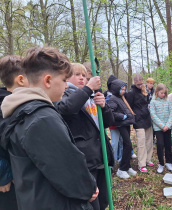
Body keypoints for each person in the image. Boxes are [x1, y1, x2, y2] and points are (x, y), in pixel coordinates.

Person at [0, 46, 98, 210]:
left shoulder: (19, 111)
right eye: (64, 80)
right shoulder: (41, 118)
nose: (67, 87)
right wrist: (88, 187)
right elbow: (68, 169)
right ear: (47, 80)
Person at [55, 63, 114, 210]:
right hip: (86, 159)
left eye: (84, 76)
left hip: (101, 154)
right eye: (77, 75)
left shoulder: (92, 95)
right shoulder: (64, 94)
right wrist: (88, 89)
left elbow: (109, 122)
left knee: (104, 199)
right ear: (67, 77)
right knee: (91, 202)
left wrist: (104, 107)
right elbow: (67, 108)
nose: (82, 78)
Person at [0, 55, 28, 210]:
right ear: (21, 79)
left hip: (21, 177)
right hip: (8, 184)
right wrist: (3, 176)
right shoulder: (4, 104)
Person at [108, 78, 137, 179]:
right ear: (116, 89)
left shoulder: (121, 97)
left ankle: (127, 166)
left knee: (127, 145)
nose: (124, 91)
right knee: (128, 145)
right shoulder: (113, 99)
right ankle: (121, 169)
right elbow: (111, 112)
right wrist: (122, 116)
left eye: (125, 89)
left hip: (126, 123)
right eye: (122, 89)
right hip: (121, 124)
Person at [126, 74, 154, 173]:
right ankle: (141, 164)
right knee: (141, 143)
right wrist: (134, 117)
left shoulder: (145, 90)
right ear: (134, 83)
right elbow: (128, 107)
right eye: (138, 84)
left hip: (147, 119)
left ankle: (148, 159)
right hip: (138, 121)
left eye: (141, 84)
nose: (140, 86)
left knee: (149, 141)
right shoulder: (131, 92)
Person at [149, 83, 172, 173]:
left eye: (164, 93)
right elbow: (153, 115)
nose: (163, 95)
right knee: (160, 144)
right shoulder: (153, 102)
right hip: (158, 128)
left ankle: (169, 162)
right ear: (157, 92)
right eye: (161, 93)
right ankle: (161, 163)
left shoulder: (168, 101)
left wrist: (167, 125)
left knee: (168, 144)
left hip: (167, 127)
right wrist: (162, 126)